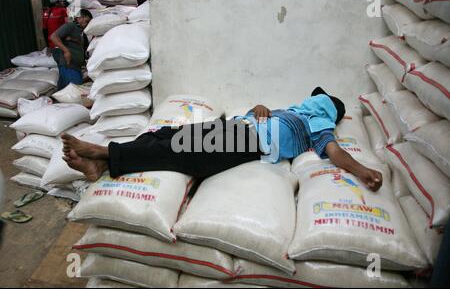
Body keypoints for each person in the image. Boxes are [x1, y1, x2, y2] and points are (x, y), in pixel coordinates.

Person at [61, 87, 383, 192]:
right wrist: (262, 108)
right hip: (235, 127)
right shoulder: (294, 110)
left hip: (246, 142)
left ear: (326, 109)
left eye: (319, 100)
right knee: (165, 134)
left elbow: (335, 152)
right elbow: (265, 112)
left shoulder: (318, 125)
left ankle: (103, 153)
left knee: (181, 150)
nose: (312, 101)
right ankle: (101, 163)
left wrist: (361, 170)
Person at [50, 9, 92, 90]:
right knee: (76, 90)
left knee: (65, 91)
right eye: (85, 20)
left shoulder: (82, 33)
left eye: (87, 22)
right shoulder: (70, 26)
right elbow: (53, 36)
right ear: (79, 18)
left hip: (76, 67)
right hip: (68, 65)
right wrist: (66, 51)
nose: (86, 24)